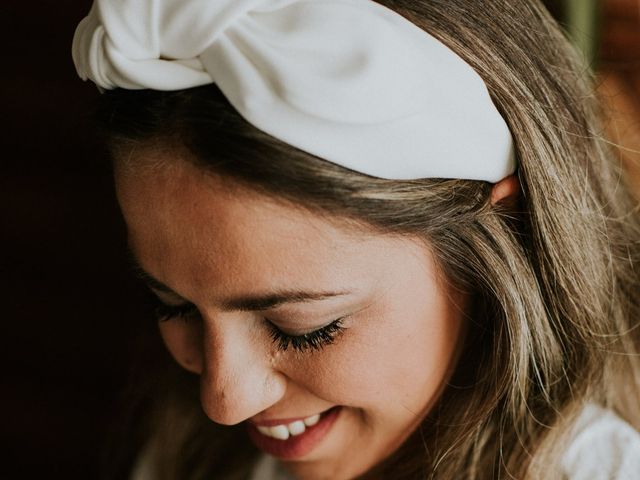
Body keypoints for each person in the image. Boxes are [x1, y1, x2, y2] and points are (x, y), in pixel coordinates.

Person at [72, 0, 640, 479]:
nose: (225, 402)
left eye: (304, 328)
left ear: (499, 237)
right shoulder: (196, 455)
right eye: (172, 306)